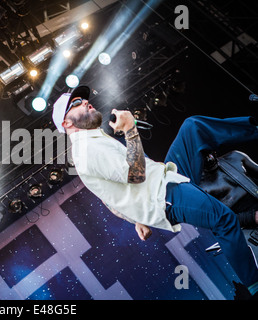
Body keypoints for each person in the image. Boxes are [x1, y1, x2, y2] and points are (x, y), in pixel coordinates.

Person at [52, 85, 258, 299]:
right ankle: (255, 287)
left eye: (83, 99)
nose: (85, 102)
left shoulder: (94, 140)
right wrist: (130, 129)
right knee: (224, 220)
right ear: (67, 123)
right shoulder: (87, 149)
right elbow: (136, 174)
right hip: (162, 196)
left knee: (192, 127)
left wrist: (136, 220)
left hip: (164, 178)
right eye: (75, 104)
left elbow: (108, 199)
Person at [199, 150, 258, 228]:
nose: (209, 157)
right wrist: (252, 217)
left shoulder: (235, 157)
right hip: (245, 231)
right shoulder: (199, 189)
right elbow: (215, 221)